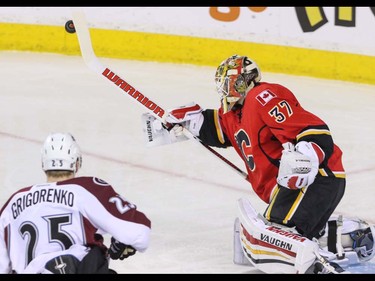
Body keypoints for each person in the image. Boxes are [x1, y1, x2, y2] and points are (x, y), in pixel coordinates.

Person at [144, 54, 373, 273]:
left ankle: (318, 263)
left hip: (316, 179)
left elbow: (313, 130)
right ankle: (350, 236)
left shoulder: (263, 96)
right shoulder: (234, 115)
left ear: (246, 80)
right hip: (292, 189)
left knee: (277, 237)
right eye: (224, 84)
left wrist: (307, 157)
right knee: (275, 236)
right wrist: (186, 123)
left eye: (232, 83)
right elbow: (219, 130)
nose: (227, 89)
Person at [0, 132, 151, 274]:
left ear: (43, 164)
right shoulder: (86, 189)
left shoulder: (12, 203)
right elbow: (139, 232)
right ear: (77, 163)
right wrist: (124, 242)